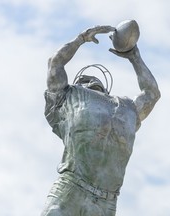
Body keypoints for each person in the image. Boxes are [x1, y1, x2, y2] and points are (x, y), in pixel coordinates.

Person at [41, 25, 161, 216]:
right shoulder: (70, 97)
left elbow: (152, 94)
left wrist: (134, 56)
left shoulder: (126, 108)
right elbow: (54, 64)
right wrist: (82, 38)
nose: (91, 81)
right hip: (73, 190)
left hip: (104, 200)